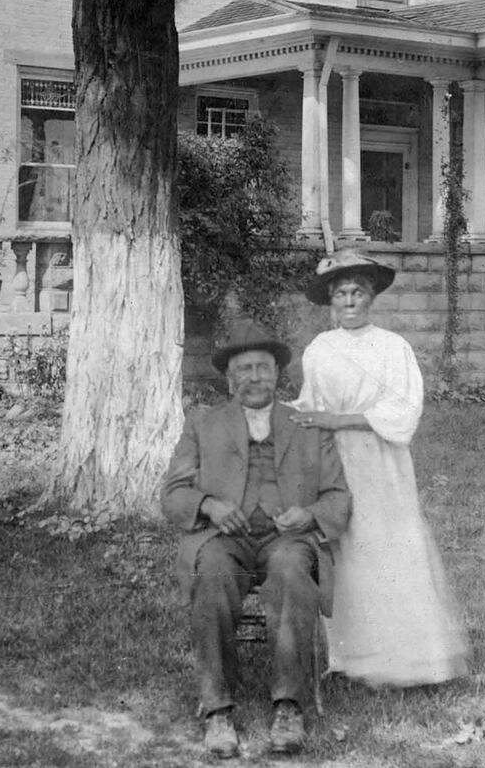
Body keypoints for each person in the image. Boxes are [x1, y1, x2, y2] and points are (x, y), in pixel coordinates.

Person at [161, 320, 352, 758]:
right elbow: (173, 494)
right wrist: (209, 504)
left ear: (277, 374)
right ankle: (217, 710)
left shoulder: (306, 424)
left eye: (262, 368)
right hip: (226, 537)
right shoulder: (203, 424)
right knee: (211, 573)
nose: (254, 378)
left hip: (287, 539)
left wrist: (310, 514)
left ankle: (288, 706)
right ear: (230, 379)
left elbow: (339, 496)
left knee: (291, 572)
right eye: (244, 370)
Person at [291, 248, 469, 688]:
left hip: (380, 458)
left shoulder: (393, 347)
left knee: (387, 545)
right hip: (335, 463)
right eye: (340, 295)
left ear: (371, 298)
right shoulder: (319, 350)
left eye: (357, 293)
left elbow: (403, 410)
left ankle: (408, 657)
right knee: (345, 549)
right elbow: (311, 405)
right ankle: (350, 657)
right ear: (330, 302)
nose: (349, 303)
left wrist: (341, 419)